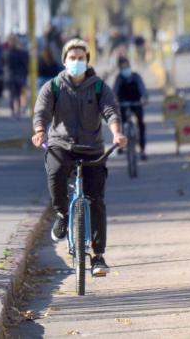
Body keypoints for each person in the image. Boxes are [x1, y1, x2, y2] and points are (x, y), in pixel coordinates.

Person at [31, 38, 126, 276]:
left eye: (80, 58)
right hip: (61, 145)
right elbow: (41, 111)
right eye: (71, 58)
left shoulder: (98, 87)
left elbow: (110, 111)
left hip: (92, 148)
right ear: (64, 61)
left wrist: (117, 133)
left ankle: (98, 256)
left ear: (87, 60)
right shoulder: (53, 86)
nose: (76, 62)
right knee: (55, 174)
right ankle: (62, 215)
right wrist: (40, 131)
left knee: (96, 201)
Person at [113, 56, 149, 160]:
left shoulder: (136, 76)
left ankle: (142, 149)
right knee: (121, 124)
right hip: (123, 104)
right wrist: (114, 101)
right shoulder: (119, 78)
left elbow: (142, 89)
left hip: (136, 103)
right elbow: (114, 92)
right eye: (123, 68)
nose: (125, 69)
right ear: (120, 69)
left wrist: (144, 98)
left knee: (141, 124)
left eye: (127, 66)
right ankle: (121, 144)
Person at [3, 35, 29, 118]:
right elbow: (25, 65)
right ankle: (17, 110)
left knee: (12, 94)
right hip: (18, 75)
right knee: (18, 94)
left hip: (9, 76)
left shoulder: (6, 52)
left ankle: (13, 110)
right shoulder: (22, 53)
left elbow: (3, 64)